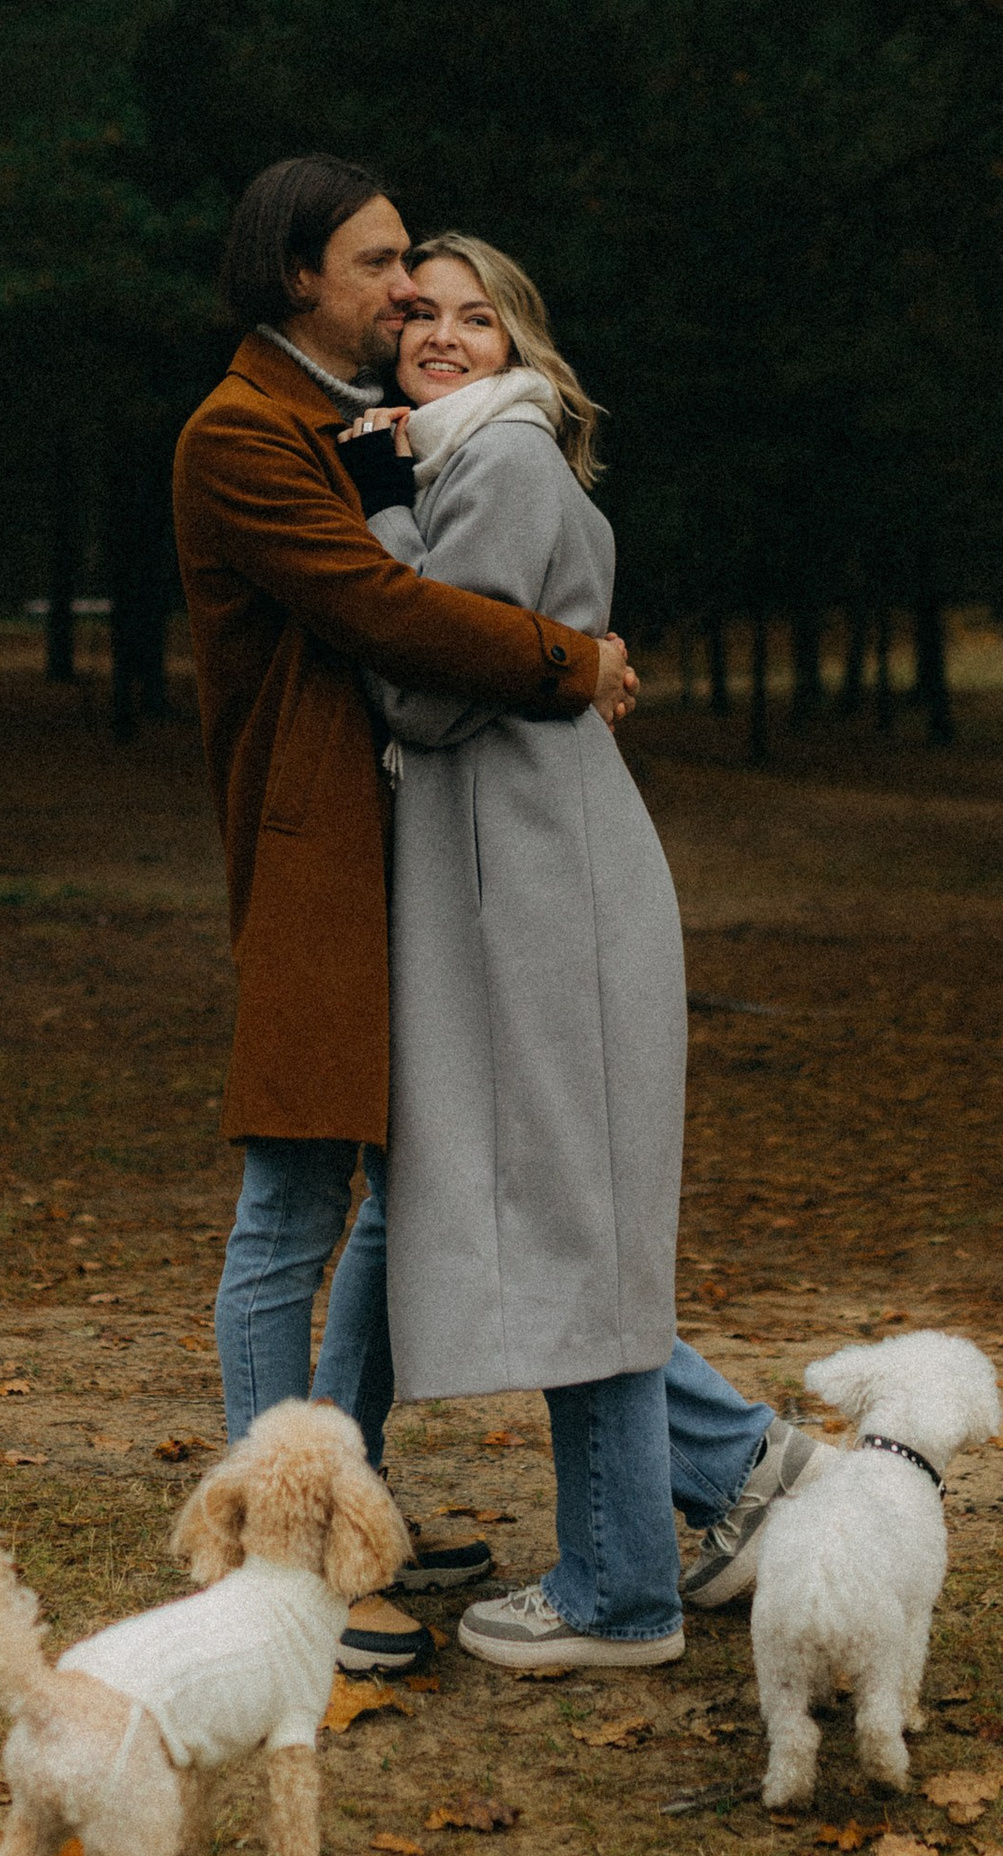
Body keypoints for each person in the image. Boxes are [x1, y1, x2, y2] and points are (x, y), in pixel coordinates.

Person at [170, 157, 639, 1674]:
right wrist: (576, 664)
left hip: (404, 858)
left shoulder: (362, 428)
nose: (402, 296)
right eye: (380, 267)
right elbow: (390, 617)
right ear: (300, 273)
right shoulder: (244, 436)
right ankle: (281, 1553)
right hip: (318, 860)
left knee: (400, 1194)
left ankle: (344, 1495)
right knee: (294, 1209)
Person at [344, 235, 818, 1672]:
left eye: (474, 316)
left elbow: (430, 689)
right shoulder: (465, 461)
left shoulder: (497, 464)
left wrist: (370, 514)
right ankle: (733, 1463)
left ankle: (626, 1581)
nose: (438, 332)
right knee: (552, 1218)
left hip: (547, 897)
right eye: (415, 310)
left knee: (565, 1225)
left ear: (520, 343)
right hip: (528, 887)